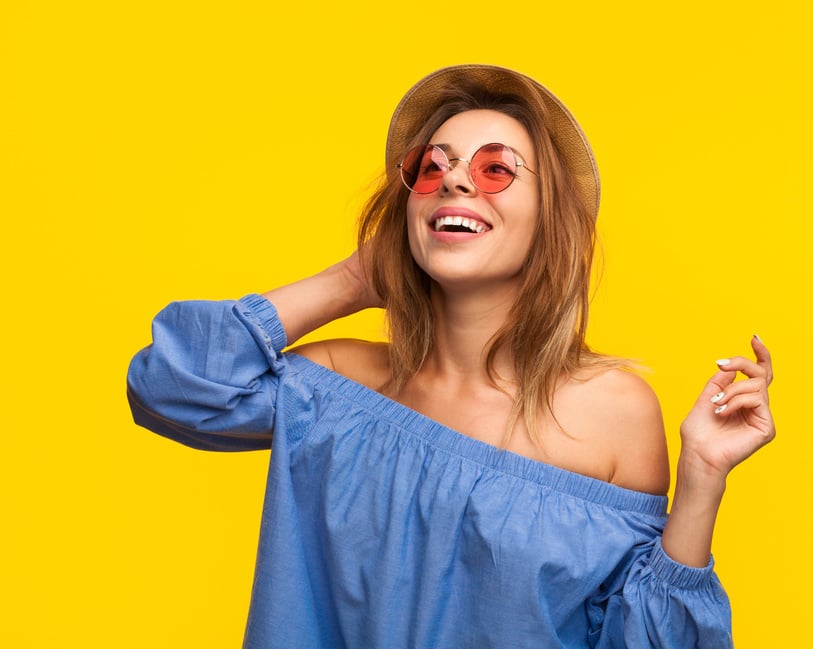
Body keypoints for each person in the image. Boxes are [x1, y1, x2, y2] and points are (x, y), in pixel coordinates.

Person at [127, 64, 775, 648]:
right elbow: (171, 382)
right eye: (430, 168)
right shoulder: (334, 384)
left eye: (495, 168)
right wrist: (353, 278)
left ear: (550, 218)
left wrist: (699, 483)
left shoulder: (611, 411)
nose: (456, 179)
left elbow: (638, 639)